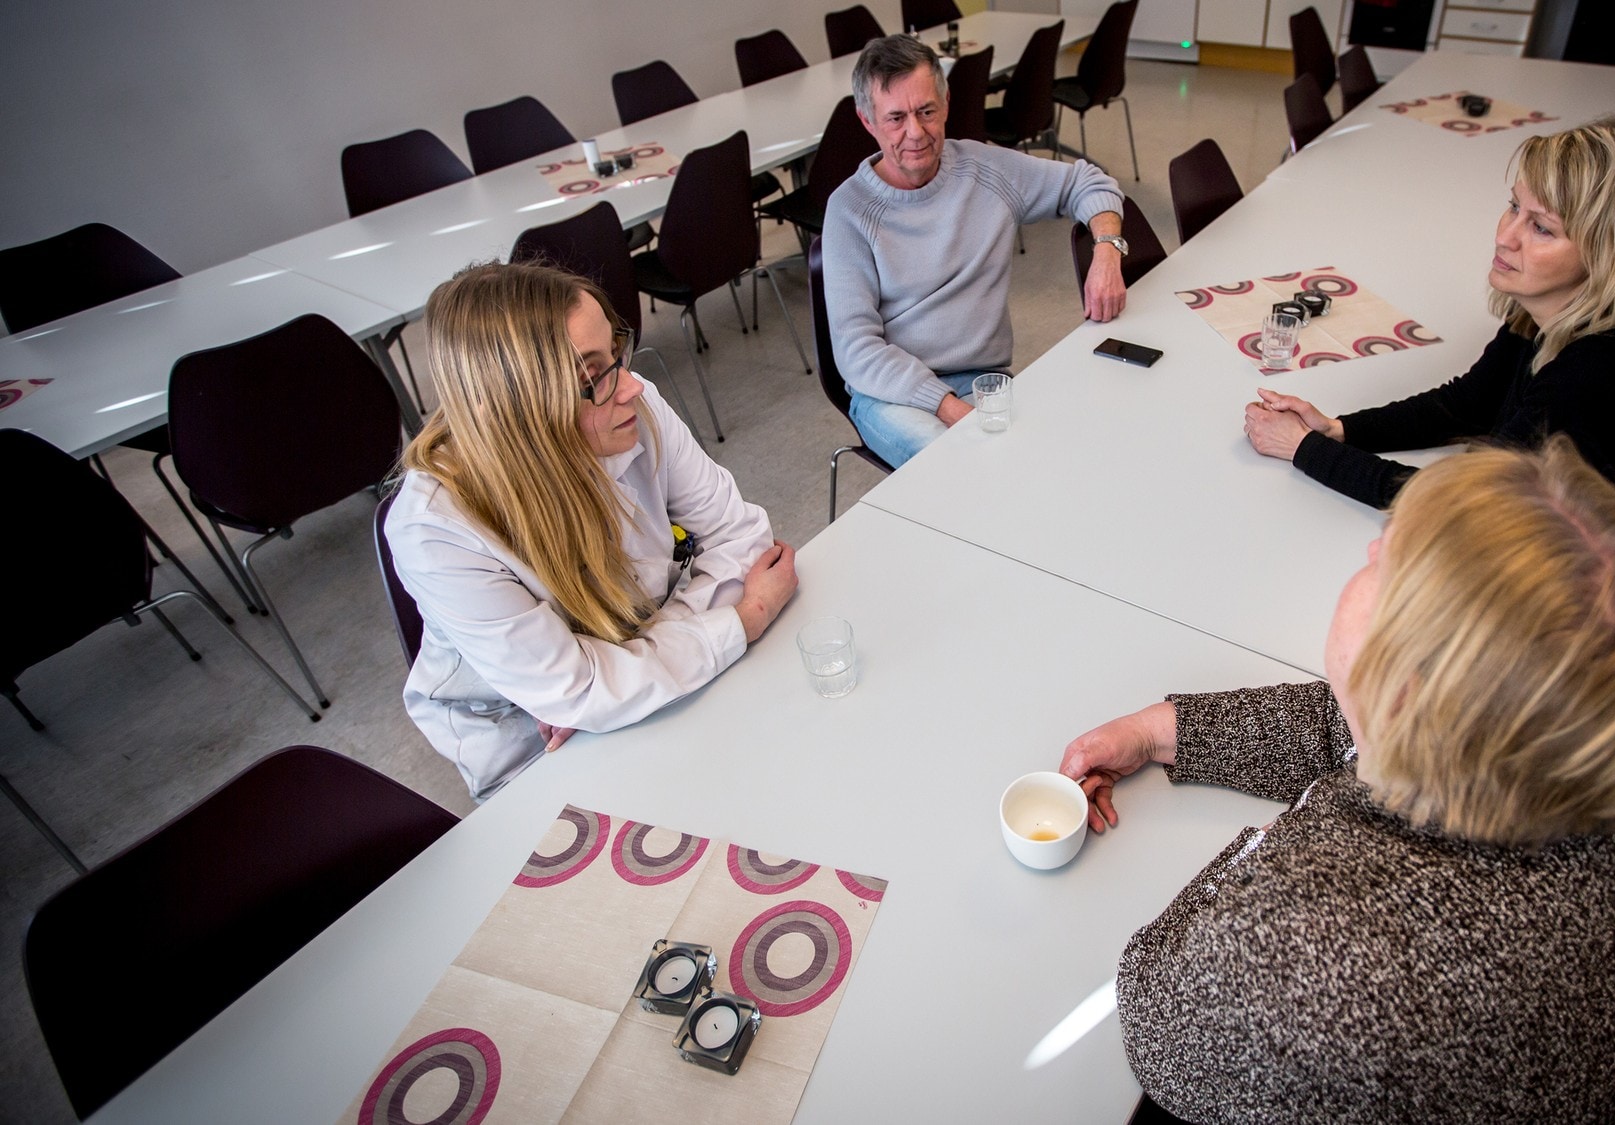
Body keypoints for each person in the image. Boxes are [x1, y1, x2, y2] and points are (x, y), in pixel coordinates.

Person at [1060, 439, 1615, 1122]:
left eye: (1387, 558)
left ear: (1409, 688)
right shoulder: (1582, 739)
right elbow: (1358, 725)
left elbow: (1157, 1018)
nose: (1366, 555)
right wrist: (1163, 728)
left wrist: (1259, 849)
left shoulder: (1316, 960)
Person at [386, 262, 797, 800]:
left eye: (615, 353)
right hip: (536, 747)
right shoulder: (436, 532)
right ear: (512, 410)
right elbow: (575, 692)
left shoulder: (631, 402)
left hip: (616, 682)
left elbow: (740, 537)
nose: (629, 387)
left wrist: (611, 681)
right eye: (589, 377)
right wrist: (744, 618)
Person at [1244, 116, 1615, 509]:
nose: (1506, 236)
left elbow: (1471, 505)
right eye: (1513, 207)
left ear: (1610, 254)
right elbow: (1467, 405)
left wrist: (1305, 449)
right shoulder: (1547, 311)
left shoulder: (1598, 371)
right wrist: (1340, 430)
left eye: (1542, 228)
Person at [822, 33, 1129, 467]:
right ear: (867, 121)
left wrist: (1106, 251)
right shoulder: (849, 211)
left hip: (986, 380)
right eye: (895, 118)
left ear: (946, 104)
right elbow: (856, 351)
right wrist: (949, 407)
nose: (916, 132)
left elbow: (1089, 183)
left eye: (927, 111)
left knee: (1074, 447)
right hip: (892, 396)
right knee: (970, 465)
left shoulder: (985, 169)